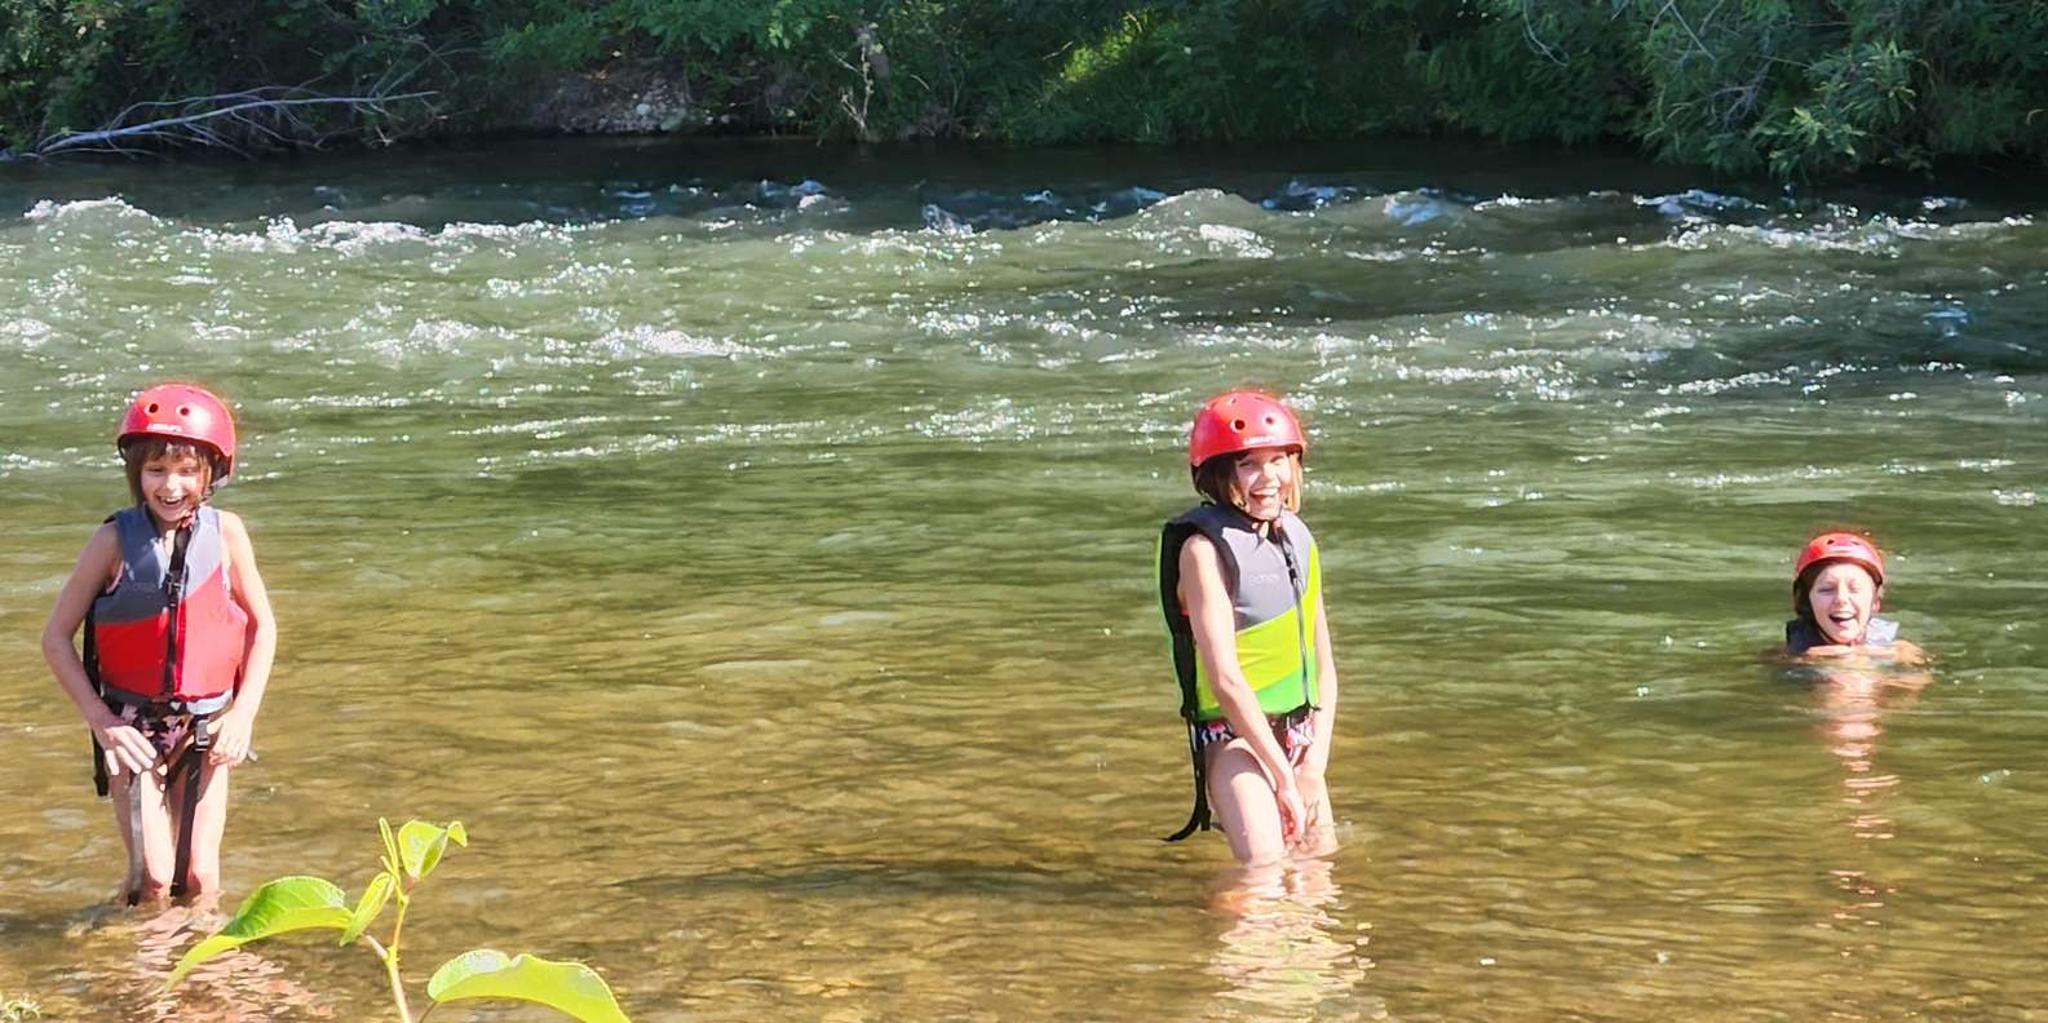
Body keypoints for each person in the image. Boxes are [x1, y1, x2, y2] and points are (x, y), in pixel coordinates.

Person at [40, 384, 277, 907]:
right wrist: (103, 723)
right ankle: (138, 952)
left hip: (206, 727)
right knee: (151, 877)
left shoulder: (228, 535)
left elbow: (264, 628)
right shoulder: (112, 542)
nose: (171, 485)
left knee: (198, 878)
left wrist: (243, 716)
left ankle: (200, 956)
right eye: (156, 470)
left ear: (212, 473)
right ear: (136, 473)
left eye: (187, 471)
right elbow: (55, 638)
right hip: (132, 727)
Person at [1157, 391, 1340, 865]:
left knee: (1317, 878)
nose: (1269, 477)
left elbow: (1324, 667)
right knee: (1263, 874)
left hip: (1299, 736)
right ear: (1218, 474)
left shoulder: (1297, 538)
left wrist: (1311, 767)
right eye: (1248, 465)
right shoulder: (1203, 553)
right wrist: (1282, 776)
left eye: (1278, 460)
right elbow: (1225, 679)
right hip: (1234, 739)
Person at [1781, 531, 1927, 664]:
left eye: (1855, 589)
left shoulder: (1901, 653)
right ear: (1805, 601)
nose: (1841, 599)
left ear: (1875, 601)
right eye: (1827, 590)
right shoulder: (1789, 659)